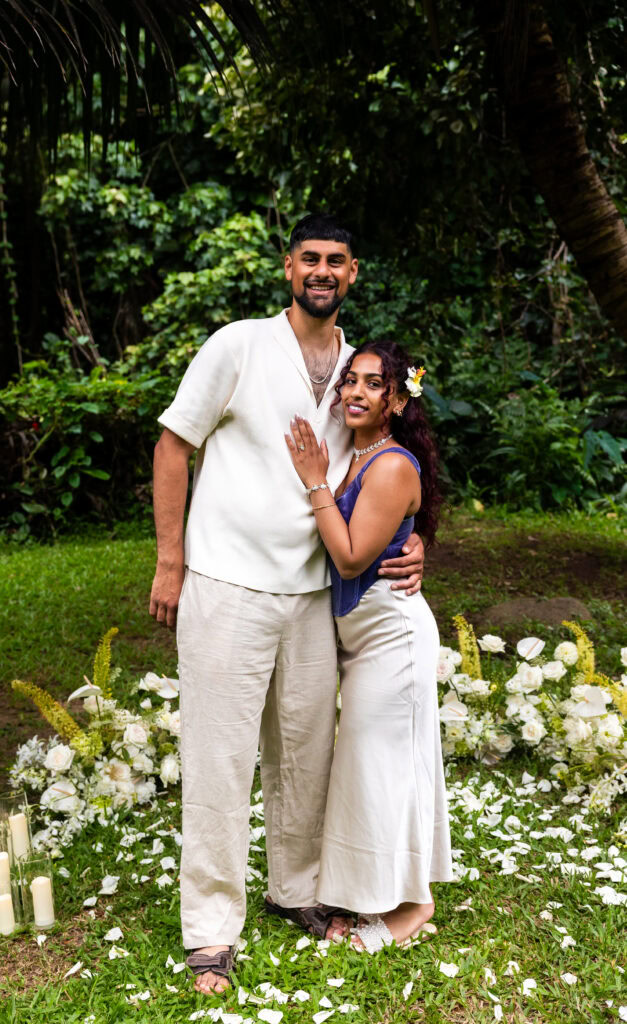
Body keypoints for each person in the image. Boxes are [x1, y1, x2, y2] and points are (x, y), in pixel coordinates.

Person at [149, 214, 425, 993]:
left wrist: (413, 539)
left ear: (353, 272)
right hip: (227, 583)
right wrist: (171, 561)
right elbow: (174, 443)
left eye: (336, 261)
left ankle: (295, 892)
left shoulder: (355, 366)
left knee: (306, 756)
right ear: (287, 267)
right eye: (310, 258)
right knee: (220, 758)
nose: (322, 271)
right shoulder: (237, 344)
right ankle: (209, 931)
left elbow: (388, 467)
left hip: (313, 595)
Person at [285, 339, 452, 953]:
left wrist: (312, 484)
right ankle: (372, 889)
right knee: (366, 767)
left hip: (392, 637)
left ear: (396, 400)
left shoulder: (389, 464)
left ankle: (414, 906)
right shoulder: (354, 459)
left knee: (387, 768)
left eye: (373, 383)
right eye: (350, 380)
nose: (356, 391)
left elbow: (352, 554)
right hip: (361, 640)